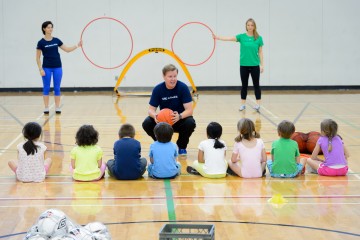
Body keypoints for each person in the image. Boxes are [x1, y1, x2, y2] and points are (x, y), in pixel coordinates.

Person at [142, 64, 196, 156]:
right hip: (164, 123)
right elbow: (151, 110)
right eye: (170, 76)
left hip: (179, 120)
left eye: (175, 76)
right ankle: (161, 143)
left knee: (190, 122)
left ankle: (182, 146)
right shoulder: (158, 89)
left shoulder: (183, 88)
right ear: (164, 77)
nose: (173, 79)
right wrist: (155, 115)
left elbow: (189, 110)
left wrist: (179, 116)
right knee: (147, 123)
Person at [213, 18, 264, 111]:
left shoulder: (258, 38)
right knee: (244, 85)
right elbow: (229, 38)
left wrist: (262, 65)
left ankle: (258, 104)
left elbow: (260, 52)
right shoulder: (241, 37)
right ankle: (243, 104)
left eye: (252, 25)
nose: (250, 27)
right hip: (243, 65)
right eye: (248, 25)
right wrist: (218, 37)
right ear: (246, 26)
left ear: (254, 27)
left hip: (255, 65)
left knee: (256, 85)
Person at [36, 21, 82, 114]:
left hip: (57, 67)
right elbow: (37, 57)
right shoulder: (41, 42)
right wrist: (40, 69)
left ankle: (57, 107)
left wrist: (77, 45)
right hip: (46, 68)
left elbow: (67, 50)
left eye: (51, 27)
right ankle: (46, 108)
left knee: (57, 87)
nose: (50, 29)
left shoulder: (56, 40)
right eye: (48, 27)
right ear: (44, 29)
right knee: (46, 88)